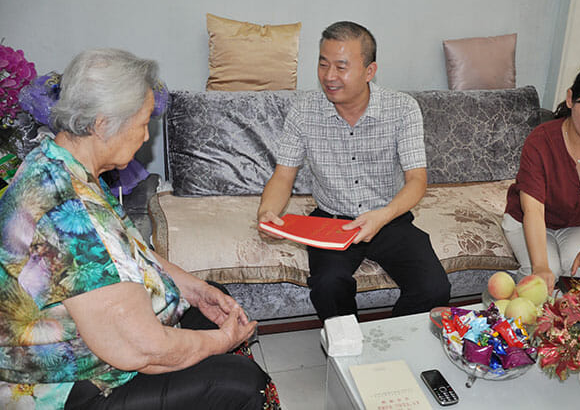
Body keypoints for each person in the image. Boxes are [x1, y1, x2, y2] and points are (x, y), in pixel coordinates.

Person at [0, 49, 280, 410]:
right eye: (143, 123)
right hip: (68, 387)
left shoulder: (60, 162)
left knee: (211, 302)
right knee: (242, 384)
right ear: (102, 123)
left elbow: (131, 250)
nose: (147, 136)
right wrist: (221, 342)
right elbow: (143, 350)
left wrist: (198, 291)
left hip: (99, 344)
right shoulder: (70, 215)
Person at [257, 21, 451, 321]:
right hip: (331, 221)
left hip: (388, 218)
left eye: (341, 67)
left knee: (433, 287)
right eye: (323, 64)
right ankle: (349, 344)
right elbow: (284, 175)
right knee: (328, 285)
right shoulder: (304, 111)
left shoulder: (403, 109)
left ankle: (388, 340)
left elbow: (417, 180)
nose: (329, 76)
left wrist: (383, 216)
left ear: (369, 71)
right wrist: (267, 213)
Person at [502, 61, 580, 291]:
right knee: (542, 279)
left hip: (576, 225)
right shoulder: (541, 141)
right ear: (571, 99)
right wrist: (541, 266)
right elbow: (533, 210)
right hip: (526, 221)